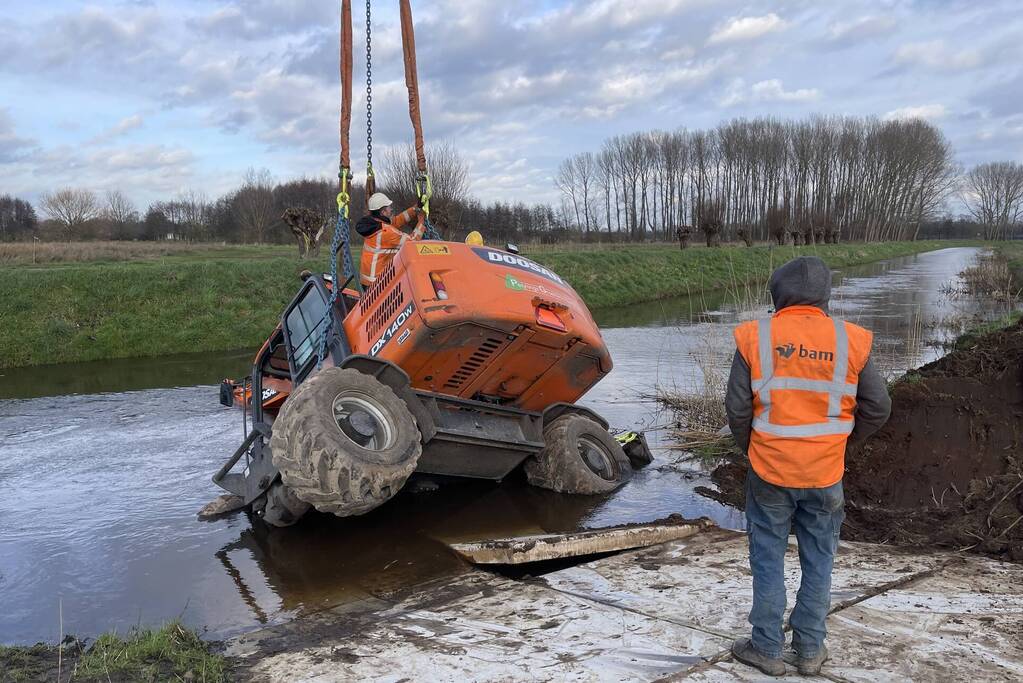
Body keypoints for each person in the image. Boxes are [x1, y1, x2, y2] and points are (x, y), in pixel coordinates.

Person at [725, 256, 891, 677]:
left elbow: (737, 409)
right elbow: (877, 408)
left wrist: (753, 449)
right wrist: (841, 445)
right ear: (825, 295)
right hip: (825, 473)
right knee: (820, 560)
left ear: (777, 294)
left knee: (767, 558)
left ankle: (766, 648)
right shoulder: (852, 339)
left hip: (769, 472)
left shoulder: (754, 337)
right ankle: (811, 650)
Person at [356, 192, 426, 288]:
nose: (391, 209)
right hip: (377, 283)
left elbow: (397, 220)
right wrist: (422, 222)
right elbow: (412, 242)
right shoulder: (386, 232)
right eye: (389, 207)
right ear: (383, 212)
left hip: (367, 280)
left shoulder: (374, 223)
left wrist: (415, 208)